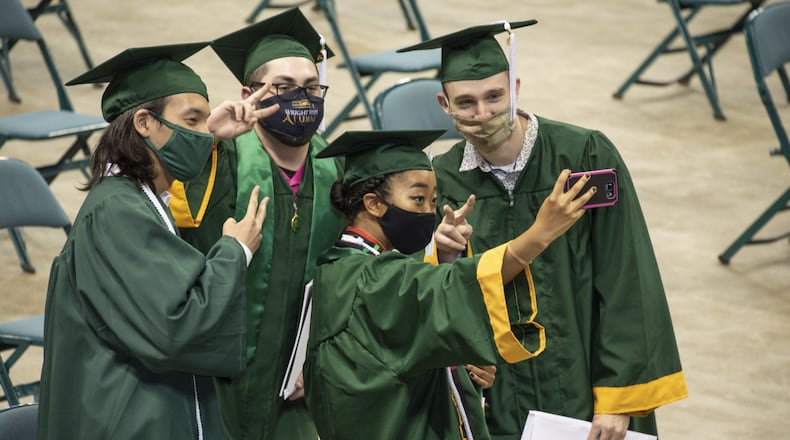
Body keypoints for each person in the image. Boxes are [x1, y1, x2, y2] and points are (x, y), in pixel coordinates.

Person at [398, 20, 689, 440]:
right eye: (467, 103)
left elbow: (626, 276)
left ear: (515, 87)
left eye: (495, 97)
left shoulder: (584, 155)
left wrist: (619, 399)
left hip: (587, 389)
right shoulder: (440, 180)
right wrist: (437, 255)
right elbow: (429, 297)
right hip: (495, 403)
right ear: (445, 105)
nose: (483, 114)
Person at [38, 42, 280, 439]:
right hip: (124, 418)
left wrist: (208, 137)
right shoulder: (117, 213)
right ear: (144, 123)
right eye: (192, 119)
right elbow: (178, 326)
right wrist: (235, 252)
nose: (201, 132)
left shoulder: (135, 199)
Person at [303, 129, 598, 440]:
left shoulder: (339, 266)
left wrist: (457, 366)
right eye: (417, 199)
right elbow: (448, 288)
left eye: (433, 200)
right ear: (374, 204)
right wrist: (538, 235)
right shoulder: (371, 279)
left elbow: (401, 342)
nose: (428, 212)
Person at [167, 8, 345, 439]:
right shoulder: (217, 161)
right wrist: (205, 137)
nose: (300, 99)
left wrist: (320, 357)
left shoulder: (338, 170)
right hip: (216, 379)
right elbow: (154, 201)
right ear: (249, 93)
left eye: (310, 87)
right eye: (282, 88)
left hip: (297, 387)